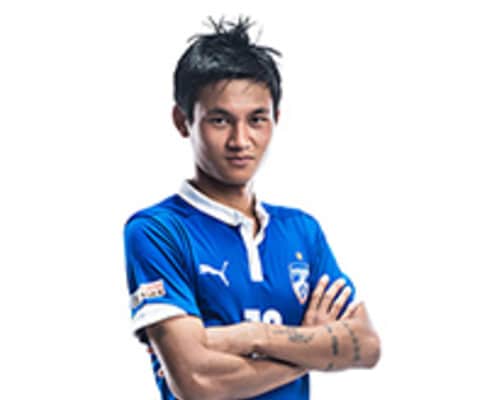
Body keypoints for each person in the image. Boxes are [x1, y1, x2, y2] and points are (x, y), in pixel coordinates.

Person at [123, 16, 380, 400]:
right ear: (183, 121)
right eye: (220, 120)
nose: (240, 140)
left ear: (276, 119)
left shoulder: (301, 231)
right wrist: (312, 347)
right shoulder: (158, 231)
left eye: (257, 119)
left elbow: (366, 345)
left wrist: (251, 336)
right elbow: (198, 382)